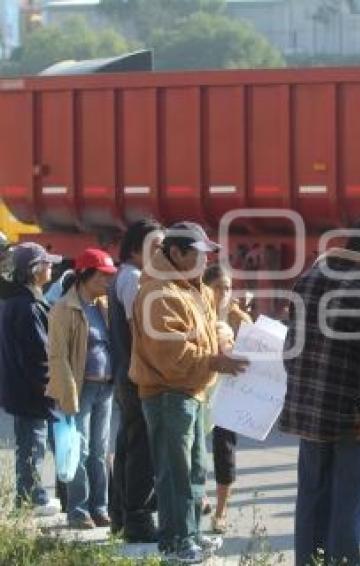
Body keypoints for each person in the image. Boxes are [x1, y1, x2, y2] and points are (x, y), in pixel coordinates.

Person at [280, 213, 360, 566]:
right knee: (347, 518)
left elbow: (291, 347)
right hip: (356, 421)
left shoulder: (309, 279)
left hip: (312, 416)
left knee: (310, 506)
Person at [130, 221, 248, 564]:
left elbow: (210, 330)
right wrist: (215, 361)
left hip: (190, 392)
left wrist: (224, 340)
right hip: (169, 393)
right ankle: (176, 541)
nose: (203, 261)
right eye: (198, 254)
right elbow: (170, 355)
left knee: (194, 469)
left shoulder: (190, 289)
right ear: (177, 253)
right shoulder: (160, 293)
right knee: (175, 471)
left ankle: (190, 534)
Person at [45, 249, 118, 530]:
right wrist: (68, 394)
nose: (108, 280)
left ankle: (100, 508)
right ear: (86, 274)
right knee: (81, 450)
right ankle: (78, 511)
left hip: (105, 388)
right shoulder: (64, 308)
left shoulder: (103, 305)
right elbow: (58, 356)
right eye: (103, 275)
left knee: (100, 451)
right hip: (81, 388)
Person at [108, 219, 164, 542]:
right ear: (134, 249)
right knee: (141, 447)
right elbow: (138, 330)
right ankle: (138, 521)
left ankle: (120, 514)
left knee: (128, 444)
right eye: (154, 247)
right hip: (136, 375)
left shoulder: (128, 277)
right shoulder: (132, 279)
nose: (159, 253)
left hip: (126, 374)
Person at [0, 243, 62, 515]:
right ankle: (30, 499)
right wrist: (51, 386)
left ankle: (30, 496)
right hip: (31, 389)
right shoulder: (27, 305)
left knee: (31, 442)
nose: (51, 267)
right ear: (35, 270)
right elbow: (37, 354)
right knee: (33, 443)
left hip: (21, 387)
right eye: (46, 264)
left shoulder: (21, 301)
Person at [202, 265, 252, 535]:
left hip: (228, 393)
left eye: (228, 287)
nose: (223, 293)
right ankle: (199, 494)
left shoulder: (238, 317)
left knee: (225, 450)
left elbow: (256, 348)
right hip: (199, 387)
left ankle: (220, 512)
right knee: (193, 449)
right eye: (218, 287)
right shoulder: (196, 311)